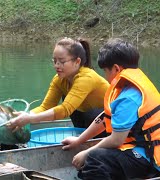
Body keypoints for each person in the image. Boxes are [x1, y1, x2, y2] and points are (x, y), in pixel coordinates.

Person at [61, 38, 160, 179]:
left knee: (95, 158)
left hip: (149, 159)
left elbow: (116, 140)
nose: (105, 76)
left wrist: (87, 152)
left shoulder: (129, 96)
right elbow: (104, 118)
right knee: (91, 165)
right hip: (140, 151)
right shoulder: (128, 86)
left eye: (106, 71)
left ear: (116, 69)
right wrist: (79, 140)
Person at [7, 37, 109, 137]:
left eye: (62, 61)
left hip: (113, 120)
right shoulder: (59, 79)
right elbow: (46, 107)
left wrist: (30, 119)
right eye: (55, 61)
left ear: (77, 62)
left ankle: (96, 140)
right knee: (68, 99)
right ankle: (83, 137)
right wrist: (27, 115)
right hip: (90, 121)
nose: (57, 65)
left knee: (89, 114)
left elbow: (64, 110)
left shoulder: (86, 78)